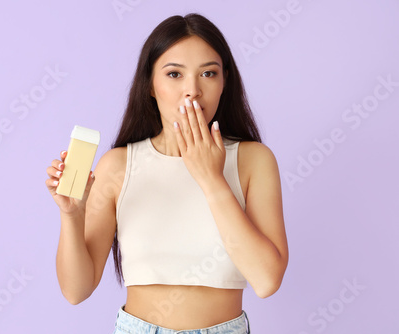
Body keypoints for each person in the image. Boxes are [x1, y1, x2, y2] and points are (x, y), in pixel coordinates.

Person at [46, 13, 288, 334]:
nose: (192, 90)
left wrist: (211, 178)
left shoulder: (253, 160)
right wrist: (72, 215)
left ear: (224, 82)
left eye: (208, 73)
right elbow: (76, 291)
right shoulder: (119, 166)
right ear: (150, 84)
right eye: (174, 74)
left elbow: (267, 280)